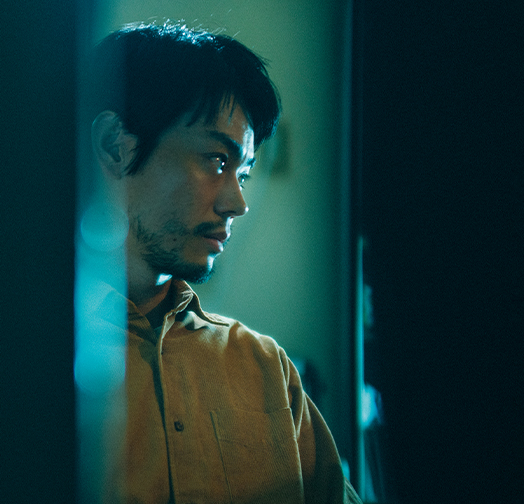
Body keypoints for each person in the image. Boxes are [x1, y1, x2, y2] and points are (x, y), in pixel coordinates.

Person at [83, 22, 362, 504]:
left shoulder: (266, 367)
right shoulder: (22, 355)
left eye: (243, 173)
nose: (237, 203)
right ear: (115, 146)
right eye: (216, 161)